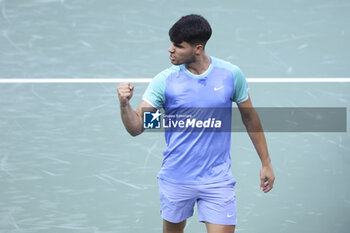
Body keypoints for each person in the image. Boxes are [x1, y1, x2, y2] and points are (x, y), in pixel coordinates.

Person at [117, 14, 275, 233]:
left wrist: (265, 163)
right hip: (176, 178)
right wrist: (125, 104)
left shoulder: (230, 75)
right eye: (171, 44)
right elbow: (137, 128)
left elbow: (249, 118)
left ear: (198, 48)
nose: (170, 50)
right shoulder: (165, 81)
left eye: (178, 46)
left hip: (217, 180)